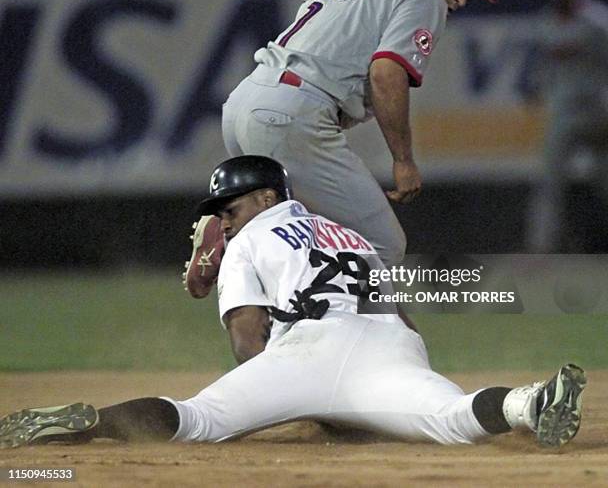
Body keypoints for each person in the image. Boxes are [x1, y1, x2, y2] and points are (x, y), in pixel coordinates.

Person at [0, 156, 586, 449]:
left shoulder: (248, 242)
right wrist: (362, 401)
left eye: (227, 211)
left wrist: (295, 397)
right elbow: (400, 315)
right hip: (391, 345)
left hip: (305, 348)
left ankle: (88, 424)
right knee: (451, 419)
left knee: (199, 420)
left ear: (262, 198)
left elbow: (249, 343)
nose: (222, 223)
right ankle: (530, 402)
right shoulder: (348, 234)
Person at [222, 0, 498, 268]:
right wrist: (403, 160)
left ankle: (232, 234)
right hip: (290, 116)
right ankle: (348, 322)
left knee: (293, 243)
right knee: (381, 248)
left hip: (243, 102)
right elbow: (386, 73)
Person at [526, 0, 608, 252]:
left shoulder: (597, 20)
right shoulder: (545, 22)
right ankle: (542, 250)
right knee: (550, 182)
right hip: (565, 110)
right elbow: (541, 68)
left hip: (598, 109)